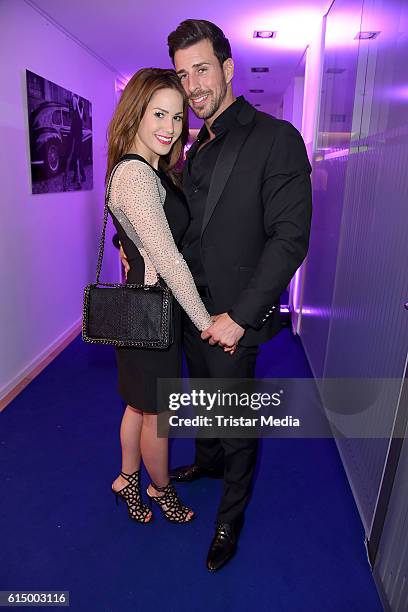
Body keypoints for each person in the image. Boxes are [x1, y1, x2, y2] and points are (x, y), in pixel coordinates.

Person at [121, 20, 312, 570]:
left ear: (227, 68)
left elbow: (289, 239)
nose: (193, 85)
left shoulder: (276, 138)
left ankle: (230, 516)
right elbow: (171, 222)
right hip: (188, 312)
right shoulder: (188, 144)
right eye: (183, 75)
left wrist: (241, 316)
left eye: (202, 69)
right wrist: (129, 243)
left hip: (233, 317)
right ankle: (204, 465)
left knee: (234, 422)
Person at [106, 68, 234, 525]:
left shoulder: (146, 171)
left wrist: (128, 249)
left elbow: (138, 235)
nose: (170, 127)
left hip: (145, 306)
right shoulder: (136, 175)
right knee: (156, 411)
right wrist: (205, 323)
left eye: (178, 117)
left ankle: (126, 478)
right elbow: (171, 260)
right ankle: (160, 490)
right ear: (135, 114)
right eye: (158, 114)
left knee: (138, 404)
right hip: (150, 312)